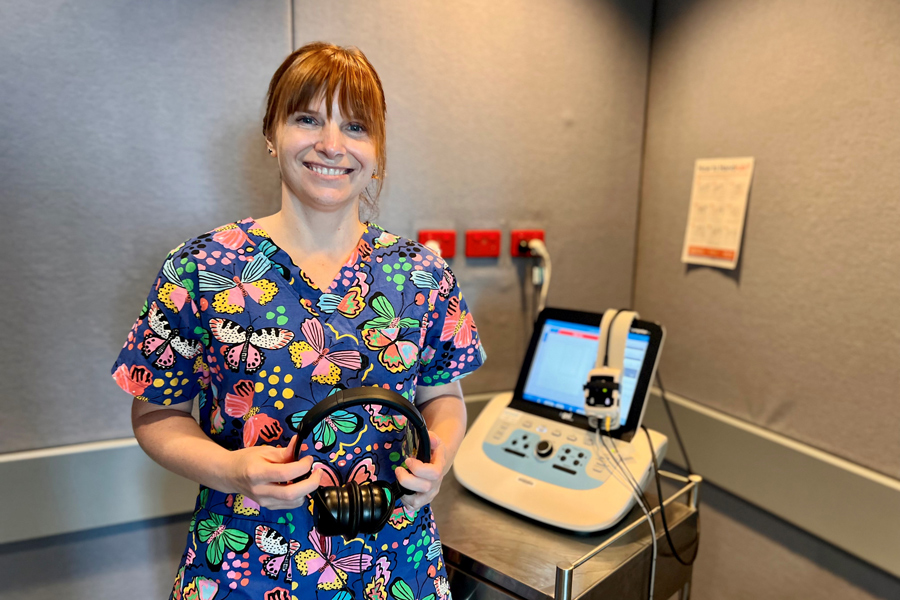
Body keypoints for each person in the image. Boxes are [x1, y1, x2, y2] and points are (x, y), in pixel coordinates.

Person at [111, 42, 485, 600]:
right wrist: (231, 469)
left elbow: (444, 398)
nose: (331, 145)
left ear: (377, 149)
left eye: (355, 127)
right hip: (244, 564)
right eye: (308, 119)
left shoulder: (423, 276)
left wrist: (441, 459)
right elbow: (156, 414)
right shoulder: (202, 268)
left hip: (396, 566)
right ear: (272, 134)